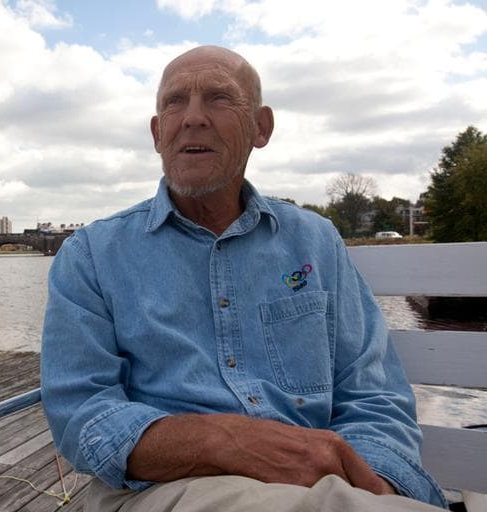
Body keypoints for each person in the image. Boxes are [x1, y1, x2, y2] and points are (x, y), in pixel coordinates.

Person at [40, 45, 447, 511]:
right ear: (157, 133)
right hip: (161, 489)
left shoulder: (316, 242)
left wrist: (379, 485)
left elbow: (372, 393)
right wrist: (223, 442)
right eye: (174, 102)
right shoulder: (92, 255)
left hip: (330, 490)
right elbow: (81, 416)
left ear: (261, 127)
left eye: (218, 98)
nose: (192, 117)